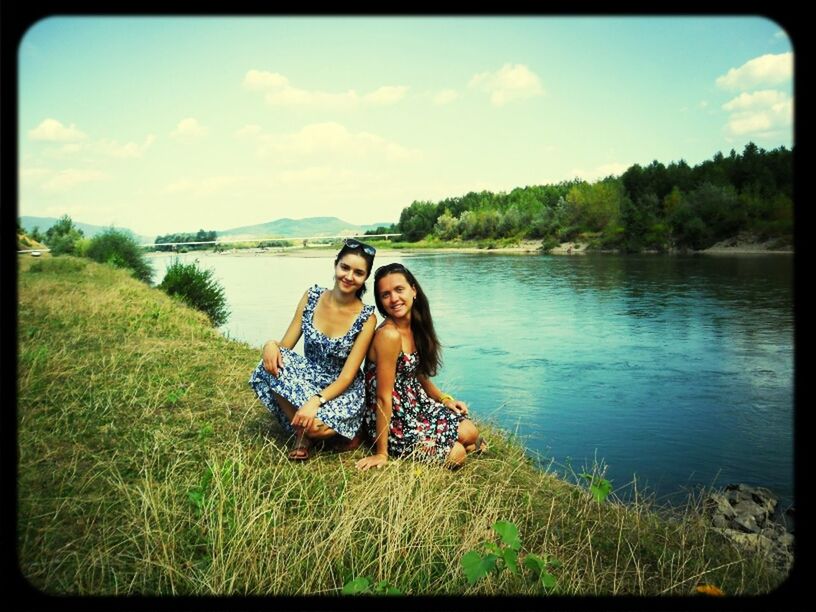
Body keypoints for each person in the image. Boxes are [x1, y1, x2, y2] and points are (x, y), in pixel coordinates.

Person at [249, 239, 377, 460]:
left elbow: (347, 376)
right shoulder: (312, 296)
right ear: (335, 264)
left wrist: (315, 401)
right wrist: (269, 345)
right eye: (344, 267)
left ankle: (337, 432)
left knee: (317, 427)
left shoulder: (367, 318)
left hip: (342, 388)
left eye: (358, 272)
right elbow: (284, 347)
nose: (349, 276)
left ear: (365, 278)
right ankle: (303, 434)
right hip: (310, 374)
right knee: (268, 366)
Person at [356, 263, 486, 471]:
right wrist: (381, 453)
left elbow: (417, 374)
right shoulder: (388, 335)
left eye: (399, 289)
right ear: (380, 301)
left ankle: (466, 443)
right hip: (394, 421)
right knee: (457, 455)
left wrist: (444, 399)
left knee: (470, 431)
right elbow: (382, 397)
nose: (394, 299)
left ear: (413, 290)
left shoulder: (414, 324)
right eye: (385, 294)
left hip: (417, 406)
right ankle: (463, 448)